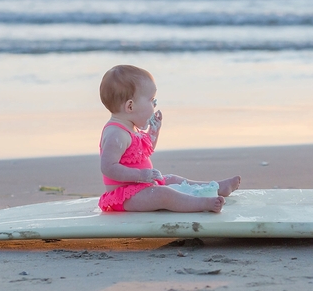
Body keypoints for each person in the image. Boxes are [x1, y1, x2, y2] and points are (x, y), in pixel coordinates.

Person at [98, 64, 241, 213]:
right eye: (151, 100)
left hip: (141, 186)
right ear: (130, 106)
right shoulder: (116, 133)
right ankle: (203, 203)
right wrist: (141, 175)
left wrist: (154, 131)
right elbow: (108, 167)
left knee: (173, 179)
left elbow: (144, 152)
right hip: (124, 197)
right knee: (163, 194)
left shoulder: (131, 127)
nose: (154, 105)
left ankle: (215, 187)